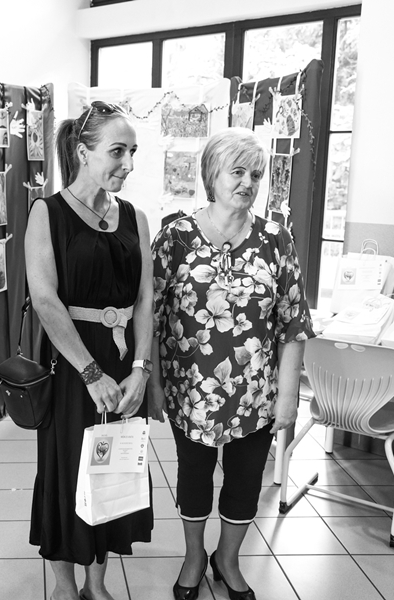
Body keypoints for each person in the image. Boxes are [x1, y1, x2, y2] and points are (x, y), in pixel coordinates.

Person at [148, 128, 314, 600]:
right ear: (211, 175)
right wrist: (154, 384)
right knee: (193, 478)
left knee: (245, 482)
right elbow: (151, 319)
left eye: (256, 174)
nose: (248, 183)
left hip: (255, 394)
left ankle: (228, 558)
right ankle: (194, 557)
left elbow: (294, 324)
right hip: (189, 391)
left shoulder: (276, 239)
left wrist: (288, 397)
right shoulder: (175, 237)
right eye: (237, 171)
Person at [26, 100, 154, 600]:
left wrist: (140, 369)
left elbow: (144, 298)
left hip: (124, 363)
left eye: (132, 152)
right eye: (117, 151)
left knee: (114, 469)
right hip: (73, 364)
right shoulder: (48, 212)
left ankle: (96, 584)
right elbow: (45, 299)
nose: (128, 163)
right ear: (83, 152)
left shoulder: (135, 218)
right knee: (66, 469)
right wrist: (91, 373)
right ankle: (64, 585)